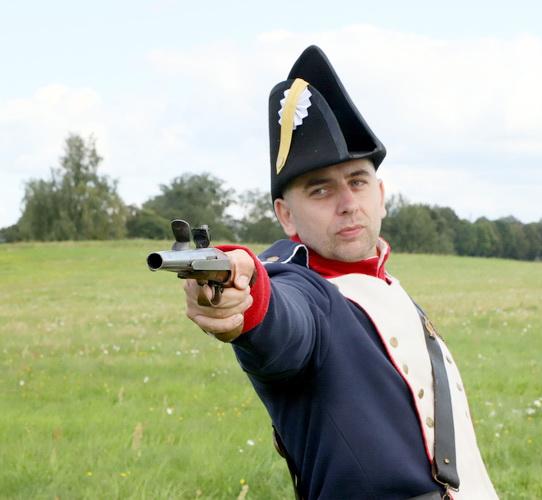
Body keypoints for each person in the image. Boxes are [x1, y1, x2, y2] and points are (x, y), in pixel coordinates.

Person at [183, 46, 498, 499]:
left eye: (357, 181)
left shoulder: (384, 284)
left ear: (381, 195)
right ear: (285, 216)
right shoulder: (302, 288)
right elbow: (283, 320)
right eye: (321, 190)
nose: (348, 202)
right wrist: (246, 296)